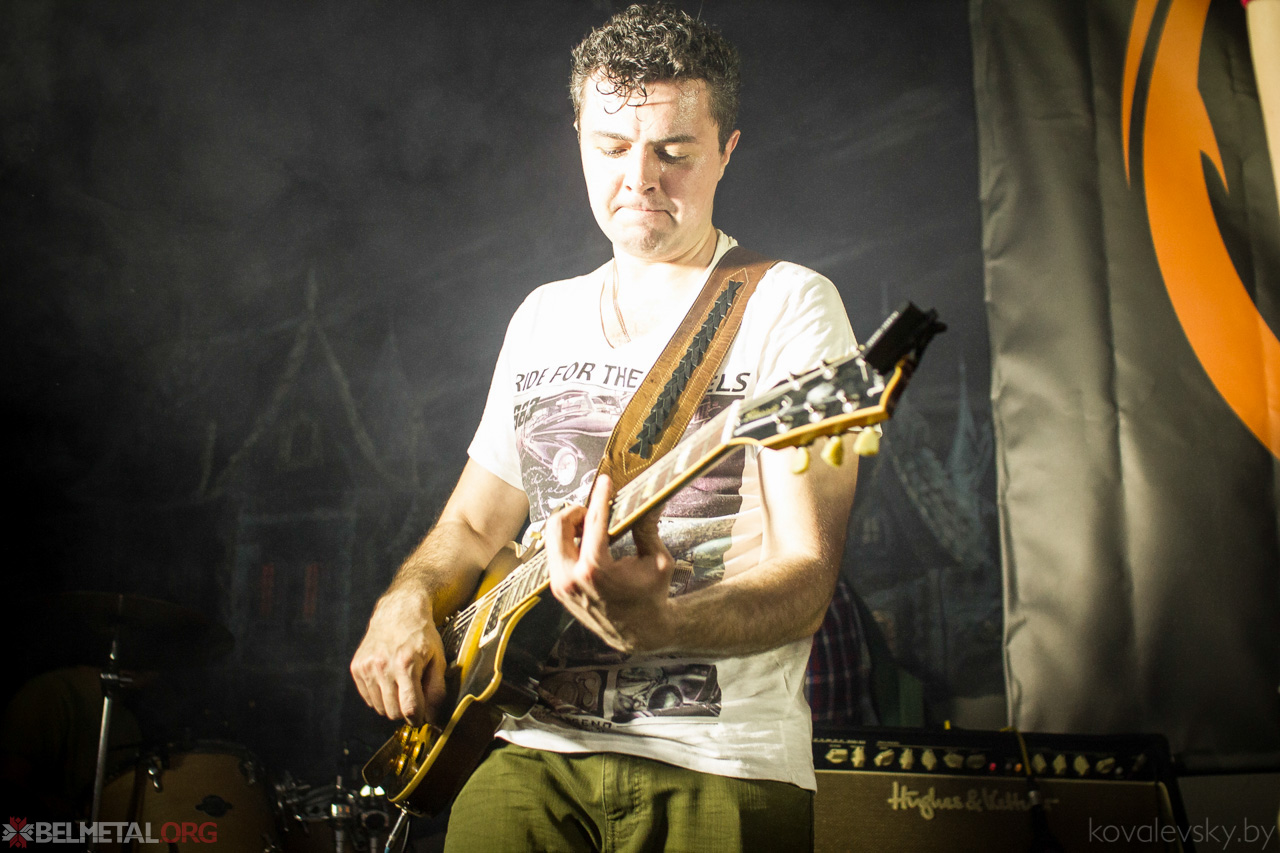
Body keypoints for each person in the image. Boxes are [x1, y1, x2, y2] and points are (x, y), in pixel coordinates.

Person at [350, 4, 860, 849]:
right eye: (612, 146)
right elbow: (473, 526)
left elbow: (806, 575)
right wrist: (406, 600)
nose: (640, 178)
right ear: (579, 141)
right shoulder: (542, 316)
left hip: (717, 760)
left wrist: (669, 625)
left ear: (727, 151)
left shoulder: (789, 305)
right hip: (523, 746)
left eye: (674, 151)